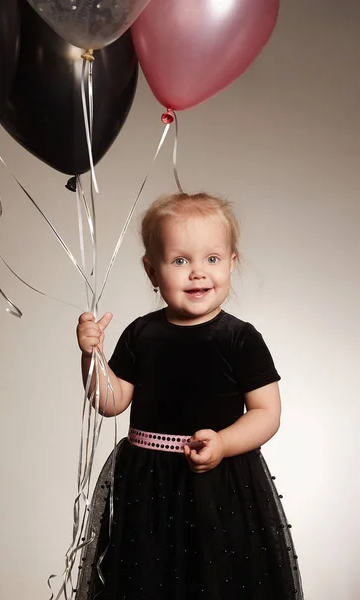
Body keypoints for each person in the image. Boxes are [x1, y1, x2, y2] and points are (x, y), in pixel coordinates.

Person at [75, 192, 303, 600]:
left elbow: (267, 413)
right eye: (180, 261)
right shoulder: (141, 334)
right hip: (147, 484)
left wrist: (224, 442)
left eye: (212, 259)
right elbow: (111, 402)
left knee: (219, 583)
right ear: (152, 270)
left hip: (221, 483)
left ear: (232, 263)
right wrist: (91, 356)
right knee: (148, 581)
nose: (198, 273)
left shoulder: (239, 339)